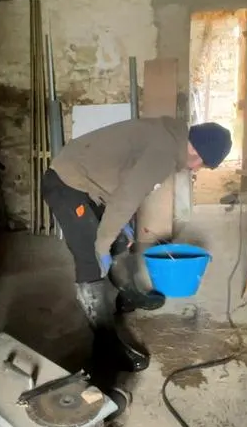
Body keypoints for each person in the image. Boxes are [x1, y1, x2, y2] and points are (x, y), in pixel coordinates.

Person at [41, 117, 232, 384]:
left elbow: (122, 179)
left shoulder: (171, 138)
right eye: (203, 163)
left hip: (90, 183)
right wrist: (102, 242)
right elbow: (127, 197)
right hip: (66, 183)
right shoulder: (163, 153)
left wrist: (121, 230)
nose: (198, 169)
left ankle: (128, 295)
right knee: (91, 258)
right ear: (196, 152)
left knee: (120, 239)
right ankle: (108, 344)